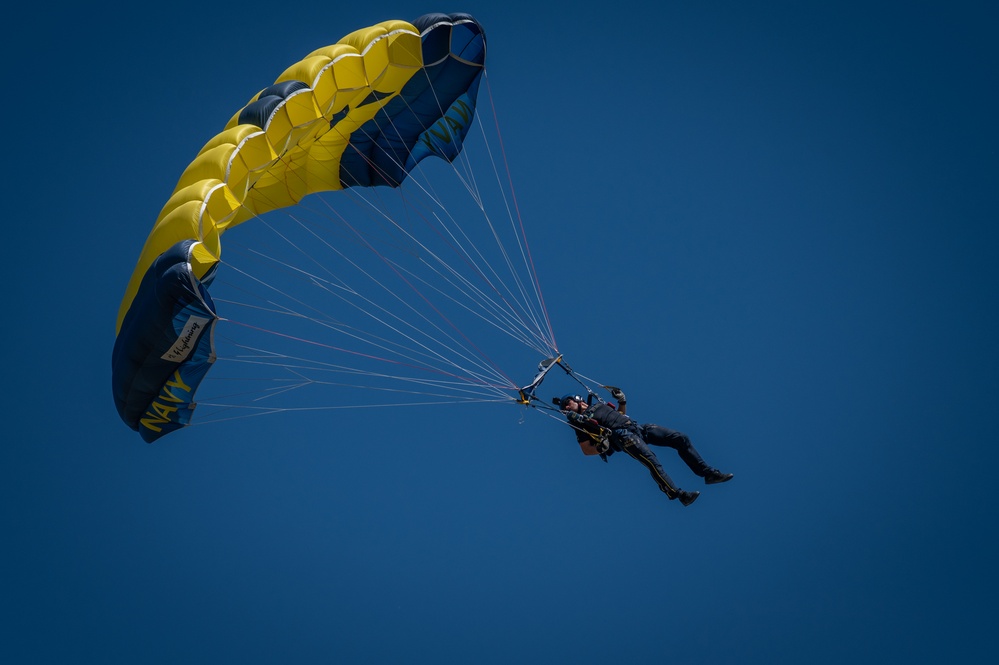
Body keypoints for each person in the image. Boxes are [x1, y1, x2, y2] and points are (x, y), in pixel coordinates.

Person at [556, 387, 733, 507]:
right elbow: (586, 450)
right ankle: (678, 495)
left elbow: (619, 416)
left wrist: (622, 401)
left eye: (567, 403)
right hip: (623, 437)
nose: (566, 407)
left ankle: (708, 474)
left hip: (639, 428)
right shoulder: (578, 423)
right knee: (652, 462)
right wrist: (603, 447)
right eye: (564, 407)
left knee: (681, 438)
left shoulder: (597, 406)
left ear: (576, 399)